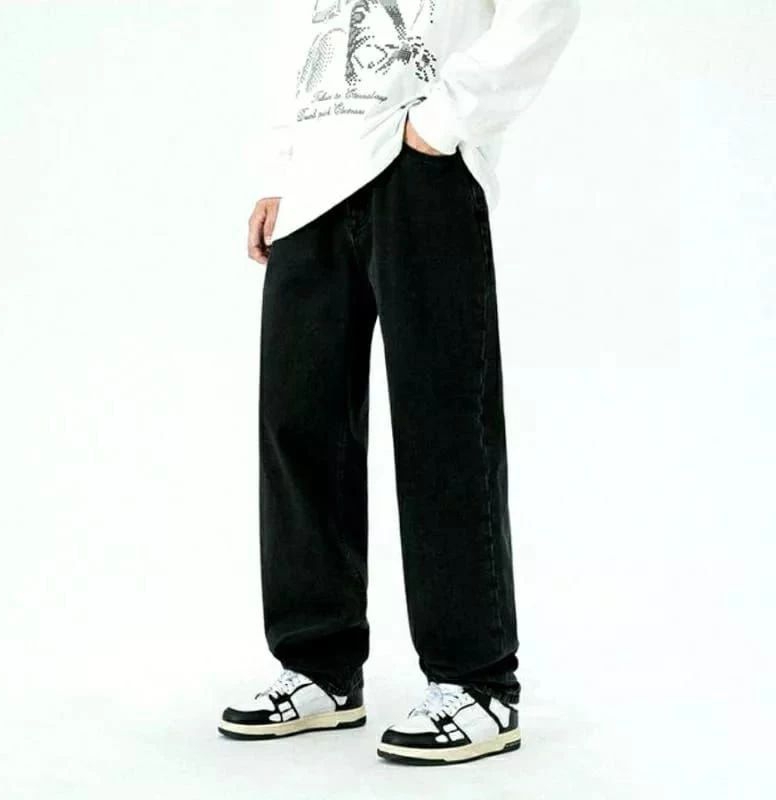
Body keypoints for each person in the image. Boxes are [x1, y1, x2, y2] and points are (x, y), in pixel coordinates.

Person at [218, 0, 579, 766]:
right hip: (315, 186)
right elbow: (301, 34)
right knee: (298, 424)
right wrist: (281, 171)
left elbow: (542, 12)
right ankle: (320, 667)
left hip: (422, 172)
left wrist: (442, 123)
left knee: (442, 424)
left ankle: (477, 683)